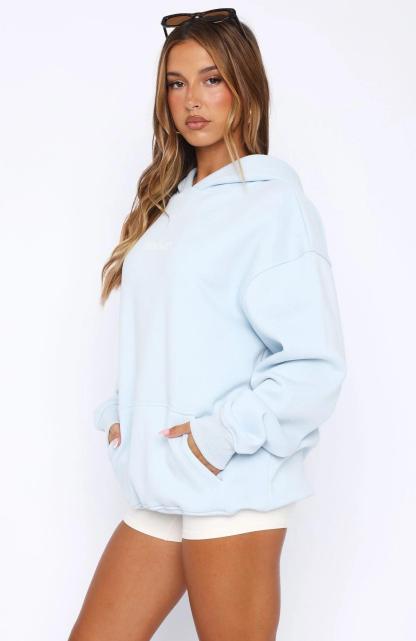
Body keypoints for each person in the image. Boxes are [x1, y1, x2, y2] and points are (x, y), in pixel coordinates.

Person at [69, 9, 347, 641]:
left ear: (244, 86)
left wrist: (217, 437)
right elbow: (168, 335)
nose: (191, 99)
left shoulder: (275, 205)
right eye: (176, 82)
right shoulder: (170, 209)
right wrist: (123, 418)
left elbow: (314, 366)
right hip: (161, 484)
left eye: (211, 79)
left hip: (231, 488)